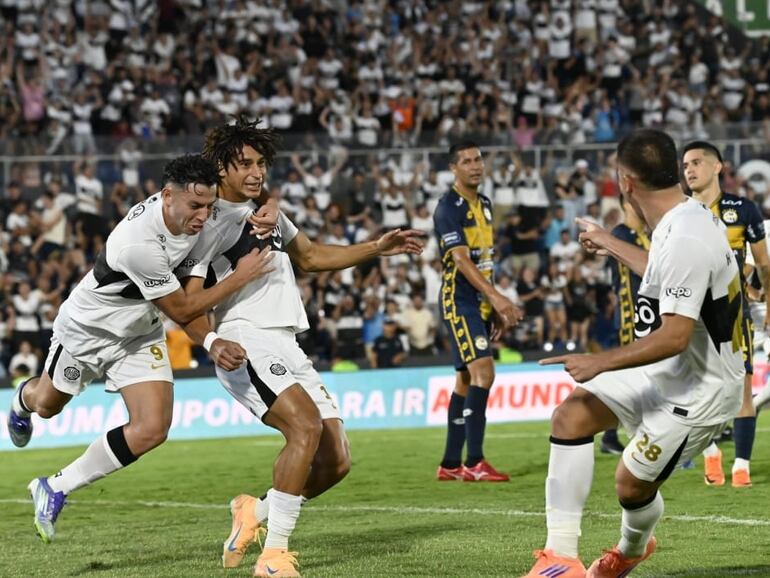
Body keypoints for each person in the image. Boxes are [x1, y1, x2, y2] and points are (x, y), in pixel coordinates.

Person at [176, 117, 423, 578]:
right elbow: (186, 302)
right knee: (305, 428)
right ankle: (273, 558)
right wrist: (211, 340)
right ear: (221, 169)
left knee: (335, 460)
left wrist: (375, 247)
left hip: (286, 342)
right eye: (244, 163)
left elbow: (309, 257)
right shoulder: (206, 225)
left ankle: (254, 511)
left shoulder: (269, 212)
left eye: (261, 162)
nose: (256, 171)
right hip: (245, 339)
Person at [6, 154, 275, 543]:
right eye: (195, 206)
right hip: (87, 332)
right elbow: (182, 308)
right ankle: (21, 401)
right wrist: (238, 278)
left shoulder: (194, 209)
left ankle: (55, 487)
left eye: (209, 207)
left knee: (152, 428)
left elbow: (256, 192)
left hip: (138, 333)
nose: (203, 216)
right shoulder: (138, 244)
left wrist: (273, 205)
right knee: (48, 404)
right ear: (167, 195)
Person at [523, 129, 744, 577]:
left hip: (700, 388)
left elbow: (674, 335)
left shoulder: (685, 237)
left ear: (625, 181)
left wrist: (597, 361)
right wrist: (608, 241)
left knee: (629, 485)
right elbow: (666, 276)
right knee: (572, 415)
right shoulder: (682, 218)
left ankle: (630, 548)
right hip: (674, 367)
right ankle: (560, 560)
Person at [433, 141, 522, 483]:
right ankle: (475, 462)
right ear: (453, 168)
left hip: (479, 302)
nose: (475, 166)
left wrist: (492, 305)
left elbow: (485, 260)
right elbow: (462, 260)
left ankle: (451, 464)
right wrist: (498, 299)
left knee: (466, 379)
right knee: (484, 373)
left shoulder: (483, 204)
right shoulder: (448, 209)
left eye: (478, 159)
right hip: (460, 301)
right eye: (466, 161)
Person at [682, 140, 767, 488]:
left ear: (718, 167)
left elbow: (762, 263)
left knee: (743, 390)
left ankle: (741, 466)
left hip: (734, 316)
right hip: (690, 316)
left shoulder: (743, 209)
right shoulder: (678, 213)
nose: (689, 169)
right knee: (700, 391)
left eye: (697, 162)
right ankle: (711, 452)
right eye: (685, 164)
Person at [600, 196, 650, 456]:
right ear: (628, 204)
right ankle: (625, 434)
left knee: (636, 378)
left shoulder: (643, 235)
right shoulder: (621, 234)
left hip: (646, 314)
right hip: (631, 315)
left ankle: (611, 435)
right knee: (634, 377)